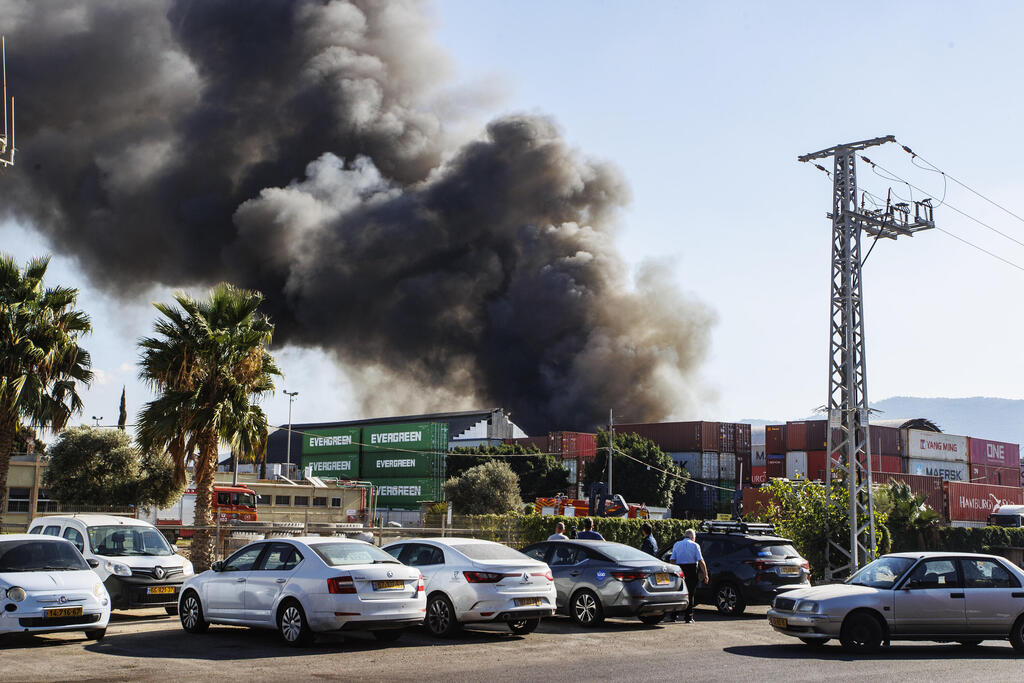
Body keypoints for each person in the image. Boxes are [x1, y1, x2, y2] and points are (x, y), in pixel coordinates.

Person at [669, 529, 709, 623]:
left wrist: (673, 571)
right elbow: (701, 561)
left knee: (677, 593)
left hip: (679, 569)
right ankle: (688, 617)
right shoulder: (695, 545)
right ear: (692, 537)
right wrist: (705, 574)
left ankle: (674, 615)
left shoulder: (677, 544)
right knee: (690, 594)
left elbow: (672, 559)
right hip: (691, 570)